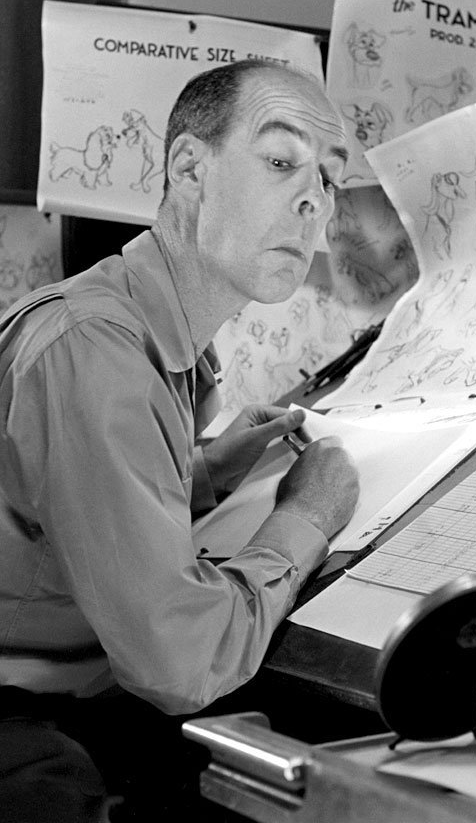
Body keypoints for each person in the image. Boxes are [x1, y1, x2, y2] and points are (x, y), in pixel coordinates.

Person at [0, 59, 360, 821]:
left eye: (328, 179)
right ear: (190, 169)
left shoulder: (145, 332)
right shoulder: (97, 347)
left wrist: (203, 475)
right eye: (282, 161)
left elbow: (52, 515)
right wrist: (308, 518)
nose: (315, 202)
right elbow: (178, 664)